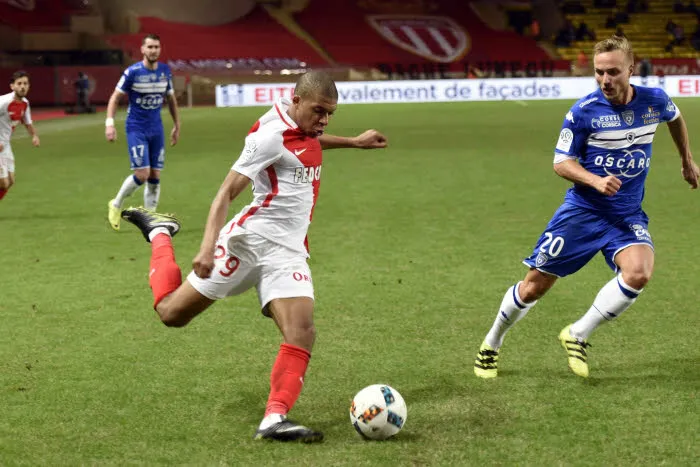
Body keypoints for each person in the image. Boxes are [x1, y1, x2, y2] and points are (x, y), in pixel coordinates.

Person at [120, 71, 388, 441]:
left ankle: (274, 419)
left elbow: (308, 142)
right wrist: (206, 247)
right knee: (171, 314)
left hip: (288, 252)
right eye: (319, 111)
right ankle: (160, 232)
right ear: (296, 100)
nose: (324, 120)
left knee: (302, 331)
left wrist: (354, 142)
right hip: (248, 243)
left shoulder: (303, 128)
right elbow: (225, 193)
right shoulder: (268, 137)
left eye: (330, 114)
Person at [473, 35, 700, 379]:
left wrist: (686, 159)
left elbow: (675, 117)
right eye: (599, 72)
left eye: (613, 72)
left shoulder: (654, 100)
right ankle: (492, 343)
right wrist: (595, 180)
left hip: (625, 214)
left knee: (639, 272)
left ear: (631, 69)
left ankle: (577, 334)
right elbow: (561, 162)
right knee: (534, 286)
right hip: (583, 213)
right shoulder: (583, 112)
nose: (605, 80)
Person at [105, 33, 181, 231]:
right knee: (142, 174)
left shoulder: (165, 71)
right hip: (136, 128)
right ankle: (116, 204)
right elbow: (115, 98)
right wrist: (109, 124)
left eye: (156, 47)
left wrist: (177, 125)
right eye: (150, 47)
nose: (153, 50)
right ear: (143, 49)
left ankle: (150, 220)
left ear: (160, 49)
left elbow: (171, 100)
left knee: (155, 175)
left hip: (156, 128)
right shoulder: (133, 72)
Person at [0, 70, 40, 202]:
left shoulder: (25, 103)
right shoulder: (4, 102)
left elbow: (28, 122)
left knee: (11, 181)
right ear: (12, 86)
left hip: (5, 145)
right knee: (3, 183)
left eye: (25, 83)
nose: (23, 86)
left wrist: (34, 136)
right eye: (19, 83)